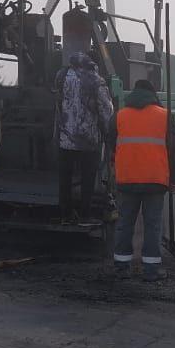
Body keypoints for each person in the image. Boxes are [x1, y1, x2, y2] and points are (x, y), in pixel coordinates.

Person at [108, 78, 175, 281]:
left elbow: (111, 144)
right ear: (153, 95)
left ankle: (121, 267)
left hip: (127, 179)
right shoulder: (165, 116)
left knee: (125, 223)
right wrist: (174, 179)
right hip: (155, 179)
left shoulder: (119, 116)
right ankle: (151, 270)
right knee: (153, 225)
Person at [53, 52, 114, 225]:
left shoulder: (62, 75)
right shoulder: (96, 80)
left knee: (65, 178)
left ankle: (65, 215)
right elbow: (106, 110)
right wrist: (109, 133)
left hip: (65, 137)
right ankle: (85, 216)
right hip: (88, 138)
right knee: (88, 178)